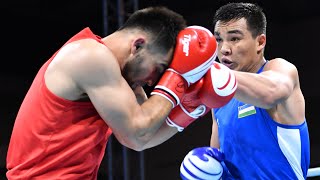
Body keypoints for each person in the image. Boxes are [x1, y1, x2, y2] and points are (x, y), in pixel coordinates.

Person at [6, 6, 222, 179]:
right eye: (158, 68)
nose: (151, 81)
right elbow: (138, 131)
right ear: (138, 45)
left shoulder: (122, 80)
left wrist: (191, 108)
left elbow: (140, 140)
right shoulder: (90, 56)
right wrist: (178, 77)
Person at [180, 2, 310, 179]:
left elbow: (271, 93)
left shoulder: (280, 69)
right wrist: (205, 169)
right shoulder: (220, 96)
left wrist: (206, 69)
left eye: (234, 38)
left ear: (260, 42)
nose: (224, 49)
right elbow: (219, 158)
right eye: (218, 39)